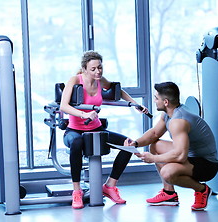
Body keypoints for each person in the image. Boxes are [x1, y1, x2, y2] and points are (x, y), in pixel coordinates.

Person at [60, 50, 150, 209]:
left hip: (96, 129)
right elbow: (63, 106)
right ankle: (77, 191)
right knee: (77, 142)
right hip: (74, 131)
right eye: (93, 69)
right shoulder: (74, 80)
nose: (98, 71)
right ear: (84, 69)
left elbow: (119, 91)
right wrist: (83, 113)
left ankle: (109, 186)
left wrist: (135, 104)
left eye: (100, 68)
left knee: (129, 145)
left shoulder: (100, 80)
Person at [125, 81, 218, 211]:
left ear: (166, 102)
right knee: (155, 145)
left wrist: (153, 159)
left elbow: (180, 155)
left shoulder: (178, 121)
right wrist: (135, 143)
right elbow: (154, 133)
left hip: (207, 165)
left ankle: (202, 189)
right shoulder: (170, 113)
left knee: (167, 173)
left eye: (156, 98)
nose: (155, 101)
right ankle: (169, 194)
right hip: (191, 156)